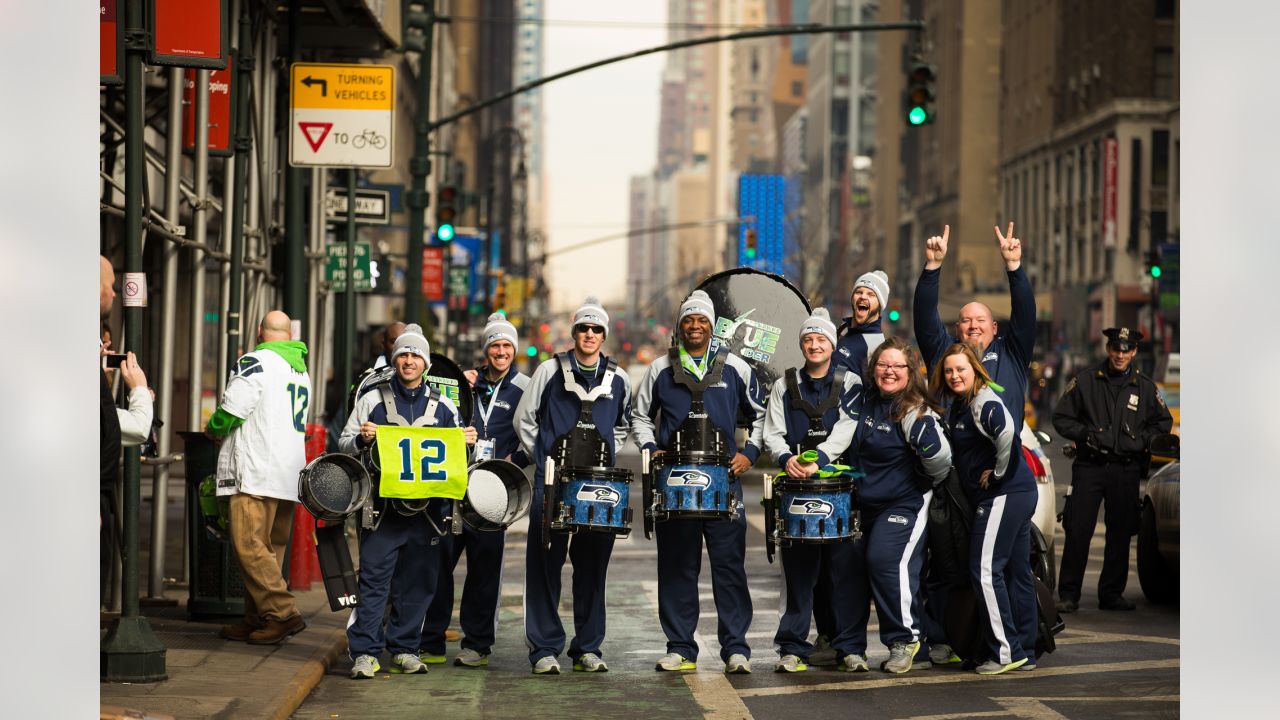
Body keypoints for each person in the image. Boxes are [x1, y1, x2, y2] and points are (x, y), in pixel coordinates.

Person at [632, 289, 766, 674]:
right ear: (680, 326)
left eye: (702, 320)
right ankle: (680, 648)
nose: (695, 326)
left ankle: (736, 649)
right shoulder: (659, 368)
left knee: (729, 568)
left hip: (724, 482)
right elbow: (640, 416)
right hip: (674, 482)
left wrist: (750, 454)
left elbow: (761, 417)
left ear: (712, 327)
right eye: (688, 320)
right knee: (677, 567)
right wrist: (649, 448)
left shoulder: (737, 369)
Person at [804, 336, 951, 674]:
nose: (889, 371)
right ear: (873, 369)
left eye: (897, 366)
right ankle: (849, 647)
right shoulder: (865, 401)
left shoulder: (914, 410)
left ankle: (907, 640)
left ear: (909, 371)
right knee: (848, 570)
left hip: (903, 504)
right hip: (860, 504)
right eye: (883, 364)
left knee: (885, 562)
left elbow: (940, 460)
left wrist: (920, 484)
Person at [339, 323, 477, 678]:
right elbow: (343, 443)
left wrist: (468, 441)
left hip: (428, 513)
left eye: (416, 354)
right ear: (394, 359)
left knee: (418, 583)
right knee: (373, 581)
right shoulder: (370, 398)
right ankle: (366, 653)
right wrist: (361, 439)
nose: (410, 360)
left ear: (426, 363)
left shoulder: (445, 405)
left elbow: (464, 457)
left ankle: (404, 648)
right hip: (382, 509)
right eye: (404, 354)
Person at [513, 297, 633, 675]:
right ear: (575, 332)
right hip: (552, 482)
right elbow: (524, 418)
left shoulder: (620, 378)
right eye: (584, 328)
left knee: (593, 568)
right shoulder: (549, 371)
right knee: (545, 564)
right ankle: (544, 648)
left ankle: (588, 648)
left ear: (604, 335)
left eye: (597, 329)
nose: (590, 335)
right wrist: (544, 454)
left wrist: (607, 452)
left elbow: (624, 423)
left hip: (599, 485)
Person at [420, 313, 531, 668]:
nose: (501, 351)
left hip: (494, 490)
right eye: (495, 345)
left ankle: (477, 645)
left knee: (485, 571)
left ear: (514, 350)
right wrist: (455, 387)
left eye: (506, 346)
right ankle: (431, 640)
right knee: (438, 565)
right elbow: (426, 397)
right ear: (485, 350)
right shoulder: (462, 383)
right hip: (453, 486)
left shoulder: (526, 388)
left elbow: (539, 430)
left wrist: (518, 456)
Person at [762, 308, 867, 673]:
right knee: (798, 576)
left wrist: (818, 458)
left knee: (844, 574)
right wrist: (786, 458)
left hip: (840, 491)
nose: (814, 345)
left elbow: (848, 427)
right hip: (795, 492)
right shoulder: (783, 384)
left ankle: (850, 647)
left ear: (832, 344)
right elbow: (771, 431)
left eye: (821, 339)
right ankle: (792, 647)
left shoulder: (850, 382)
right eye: (808, 339)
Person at [205, 311, 312, 645]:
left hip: (256, 471)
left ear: (259, 332)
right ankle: (257, 617)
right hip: (288, 474)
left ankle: (282, 613)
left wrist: (213, 427)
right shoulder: (300, 369)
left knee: (249, 545)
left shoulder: (256, 361)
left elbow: (234, 408)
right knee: (270, 550)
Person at [931, 343, 1038, 674]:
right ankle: (1025, 649)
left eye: (961, 369)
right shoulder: (963, 404)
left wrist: (1000, 473)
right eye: (949, 371)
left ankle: (1006, 652)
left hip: (1004, 495)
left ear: (975, 369)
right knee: (1016, 572)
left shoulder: (983, 401)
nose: (954, 376)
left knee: (984, 570)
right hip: (1017, 494)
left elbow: (1007, 433)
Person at [1051, 327, 1173, 613]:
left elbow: (1162, 424)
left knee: (1120, 532)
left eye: (1126, 350)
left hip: (1126, 469)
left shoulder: (1145, 387)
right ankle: (1069, 594)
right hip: (1090, 467)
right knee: (1078, 529)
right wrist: (1085, 434)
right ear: (1108, 349)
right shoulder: (1085, 381)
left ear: (1134, 352)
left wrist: (1138, 441)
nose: (1120, 355)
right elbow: (1061, 418)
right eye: (1115, 349)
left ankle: (1111, 594)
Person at [807, 269, 889, 666]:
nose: (862, 296)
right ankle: (827, 631)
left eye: (870, 293)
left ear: (880, 304)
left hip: (851, 459)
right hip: (824, 456)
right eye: (857, 290)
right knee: (821, 554)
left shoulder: (877, 343)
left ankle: (846, 638)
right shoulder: (843, 335)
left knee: (844, 557)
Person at [913, 222, 1036, 432]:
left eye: (981, 320)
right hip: (953, 459)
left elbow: (1025, 313)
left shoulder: (1011, 353)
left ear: (995, 327)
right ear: (957, 328)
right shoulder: (943, 352)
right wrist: (933, 266)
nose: (973, 326)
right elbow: (924, 316)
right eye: (966, 321)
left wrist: (1014, 266)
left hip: (1002, 459)